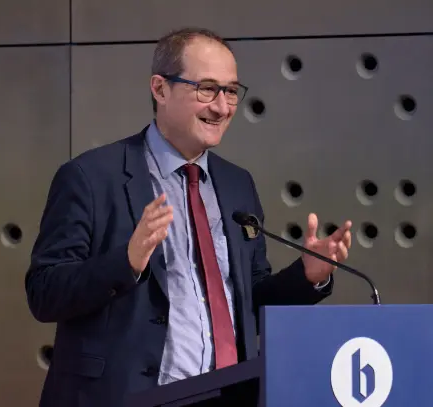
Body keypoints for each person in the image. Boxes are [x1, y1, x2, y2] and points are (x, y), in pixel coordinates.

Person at [25, 27, 353, 407]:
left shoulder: (237, 184)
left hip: (229, 396)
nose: (222, 107)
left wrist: (306, 276)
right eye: (207, 89)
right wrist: (126, 262)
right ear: (160, 89)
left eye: (231, 91)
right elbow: (44, 293)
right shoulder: (90, 177)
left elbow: (248, 301)